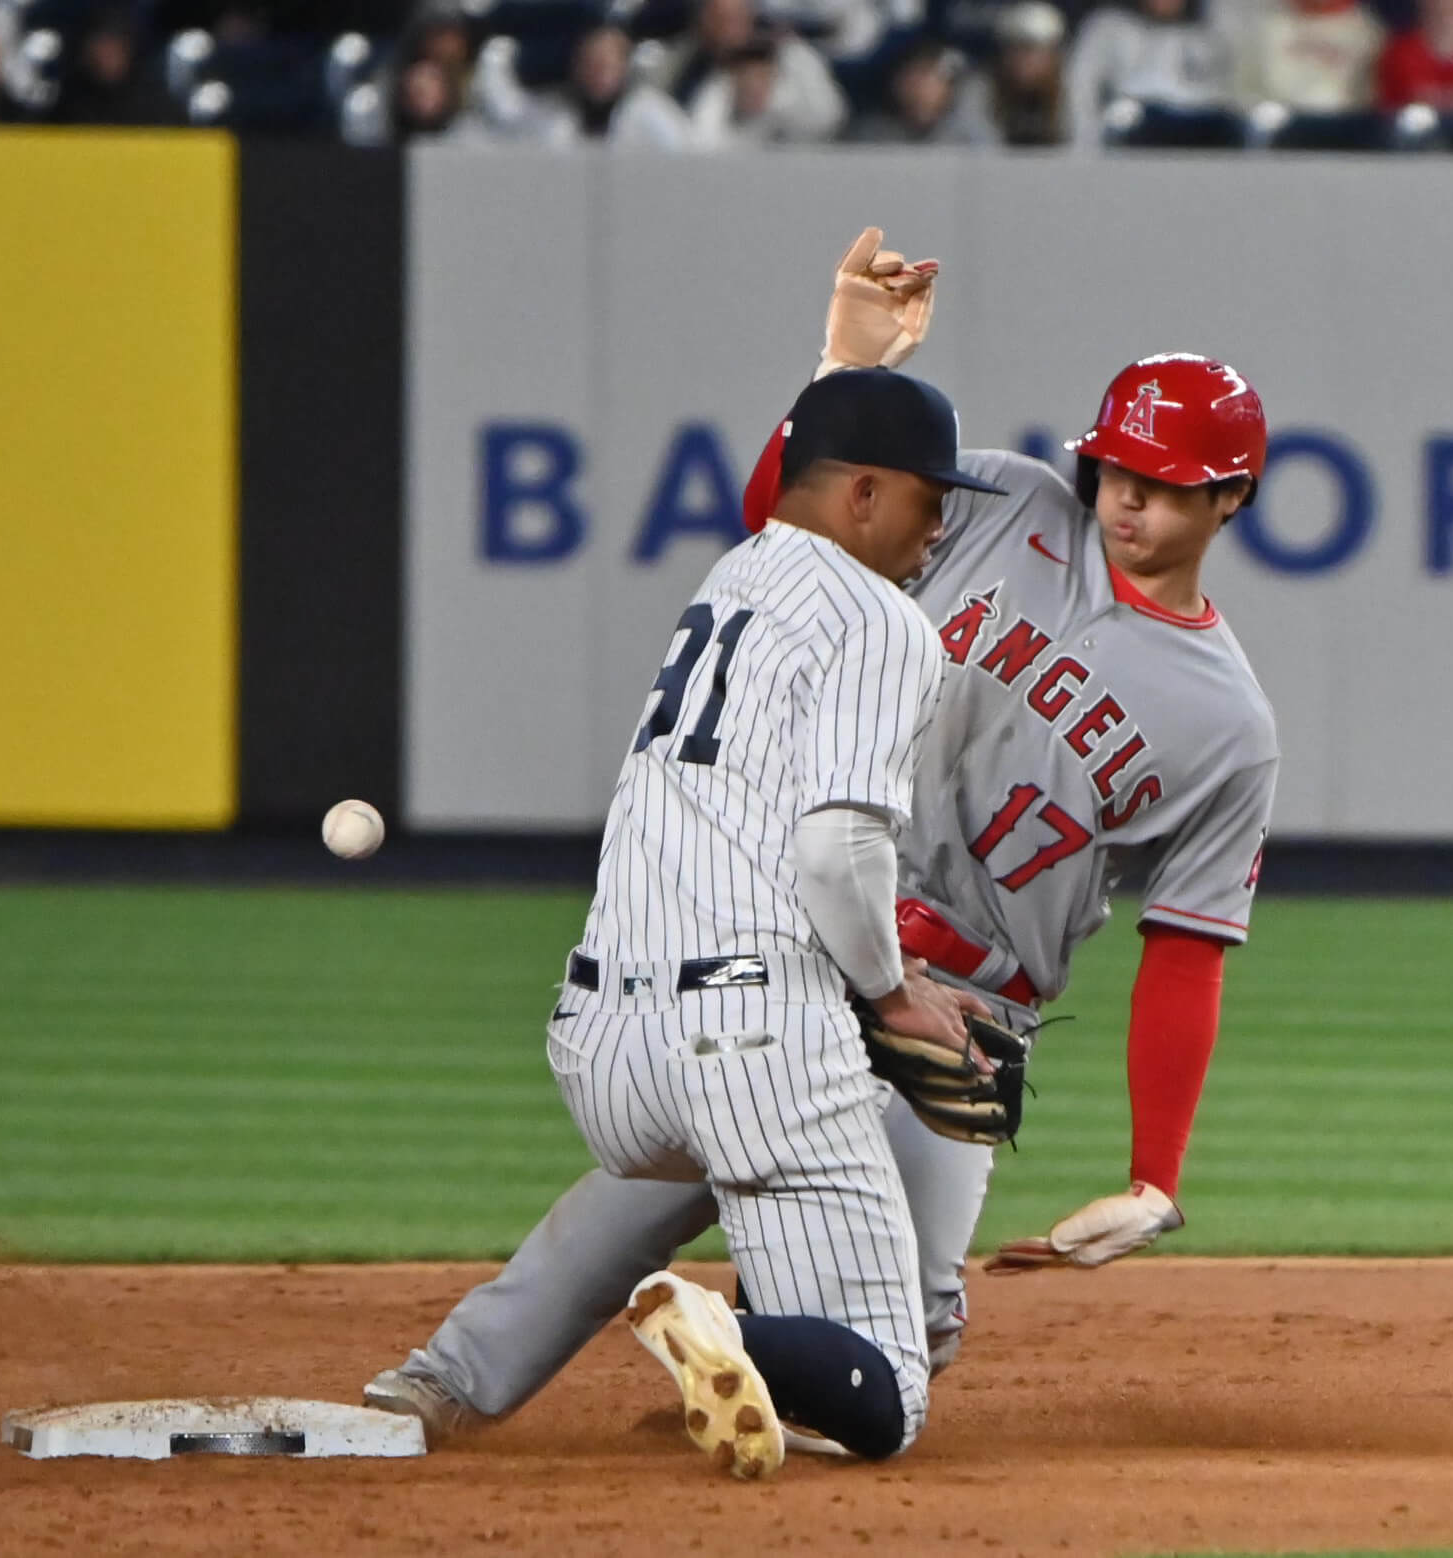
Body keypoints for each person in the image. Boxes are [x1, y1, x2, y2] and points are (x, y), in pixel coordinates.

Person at [366, 231, 1278, 1464]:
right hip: (807, 931)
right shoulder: (1004, 500)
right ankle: (441, 1384)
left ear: (1230, 500)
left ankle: (725, 1355)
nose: (1126, 497)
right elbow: (784, 532)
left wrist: (1154, 1171)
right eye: (1115, 467)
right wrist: (838, 364)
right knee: (660, 1183)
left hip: (964, 999)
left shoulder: (1226, 720)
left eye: (1167, 484)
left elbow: (1189, 948)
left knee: (914, 1321)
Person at [505, 355, 1012, 1473]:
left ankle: (728, 1352)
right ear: (862, 495)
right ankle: (716, 1323)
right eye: (929, 501)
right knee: (886, 1394)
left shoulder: (730, 577)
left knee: (805, 1375)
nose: (939, 530)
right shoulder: (880, 618)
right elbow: (836, 849)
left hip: (600, 1052)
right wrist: (891, 991)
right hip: (750, 1046)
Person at [671, 0, 849, 146]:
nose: (729, 30)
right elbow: (702, 139)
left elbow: (827, 117)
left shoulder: (790, 58)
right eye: (719, 19)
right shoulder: (694, 71)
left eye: (735, 19)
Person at [1062, 0, 1238, 142]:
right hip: (1136, 122)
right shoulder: (1109, 27)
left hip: (1199, 124)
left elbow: (1226, 92)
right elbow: (1081, 88)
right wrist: (1087, 143)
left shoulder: (1206, 36)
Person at [528, 23, 698, 147]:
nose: (596, 73)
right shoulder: (557, 115)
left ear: (623, 66)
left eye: (605, 65)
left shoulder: (652, 112)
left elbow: (684, 157)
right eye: (590, 64)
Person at [1236, 0, 1386, 113]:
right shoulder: (1264, 30)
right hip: (1274, 140)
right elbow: (1243, 97)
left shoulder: (1371, 36)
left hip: (1345, 138)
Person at [957, 0, 1068, 144]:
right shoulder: (978, 92)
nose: (1022, 59)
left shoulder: (1073, 92)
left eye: (1031, 49)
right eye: (1014, 49)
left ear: (1052, 55)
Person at [846, 36, 998, 140]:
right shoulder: (871, 135)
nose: (920, 86)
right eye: (914, 74)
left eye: (928, 75)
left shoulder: (970, 137)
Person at [49, 6, 182, 126]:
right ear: (88, 50)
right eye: (102, 46)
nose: (108, 56)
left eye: (115, 49)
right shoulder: (69, 95)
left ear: (128, 51)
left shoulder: (151, 98)